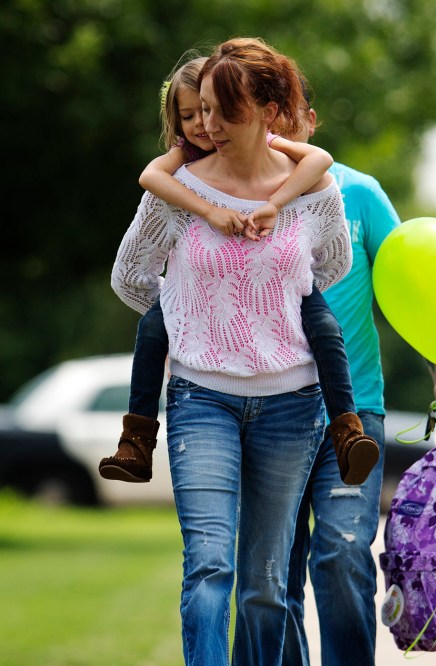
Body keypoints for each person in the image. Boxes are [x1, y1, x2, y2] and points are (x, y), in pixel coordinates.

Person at [110, 37, 353, 664]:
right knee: (209, 567)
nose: (208, 125)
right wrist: (194, 316)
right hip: (199, 399)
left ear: (269, 113)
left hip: (292, 406)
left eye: (224, 112)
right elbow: (131, 276)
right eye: (203, 111)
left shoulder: (314, 191)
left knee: (268, 588)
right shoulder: (177, 191)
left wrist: (263, 310)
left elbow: (330, 266)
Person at [99, 53, 378, 489]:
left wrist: (275, 205)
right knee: (153, 332)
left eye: (212, 111)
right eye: (190, 115)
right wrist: (209, 215)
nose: (202, 125)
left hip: (285, 286)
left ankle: (346, 428)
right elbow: (150, 178)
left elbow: (319, 159)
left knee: (325, 328)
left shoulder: (267, 145)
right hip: (189, 298)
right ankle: (136, 440)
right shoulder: (183, 159)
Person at [281, 84, 436, 666]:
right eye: (264, 120)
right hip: (268, 412)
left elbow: (413, 283)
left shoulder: (360, 195)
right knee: (274, 573)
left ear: (310, 122)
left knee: (341, 553)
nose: (277, 134)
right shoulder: (241, 198)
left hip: (354, 410)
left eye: (288, 120)